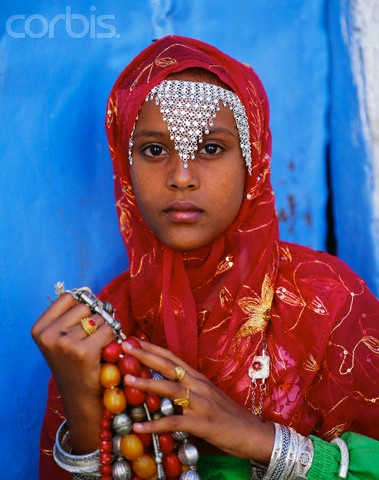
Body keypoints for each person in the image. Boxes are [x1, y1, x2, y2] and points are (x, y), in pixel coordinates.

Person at [32, 35, 379, 480]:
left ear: (252, 162)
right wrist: (83, 409)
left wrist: (259, 439)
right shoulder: (101, 331)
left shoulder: (327, 301)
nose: (180, 177)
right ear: (125, 162)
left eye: (211, 148)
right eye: (155, 150)